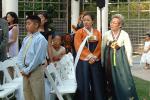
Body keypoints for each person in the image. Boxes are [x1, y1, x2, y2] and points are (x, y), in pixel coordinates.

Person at [102, 14, 139, 100]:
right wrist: (103, 61)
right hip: (109, 61)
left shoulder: (124, 34)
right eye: (111, 22)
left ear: (120, 25)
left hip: (121, 61)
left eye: (115, 23)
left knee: (123, 80)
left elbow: (128, 49)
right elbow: (103, 47)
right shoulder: (106, 34)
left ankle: (125, 96)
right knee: (110, 79)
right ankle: (112, 96)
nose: (112, 24)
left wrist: (129, 62)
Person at [74, 12, 105, 100]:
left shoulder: (97, 32)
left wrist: (94, 56)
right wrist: (89, 56)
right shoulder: (79, 32)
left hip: (95, 60)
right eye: (84, 20)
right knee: (84, 81)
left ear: (92, 21)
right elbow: (78, 45)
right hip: (83, 60)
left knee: (97, 81)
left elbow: (100, 45)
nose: (86, 22)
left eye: (88, 20)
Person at [17, 15, 48, 100]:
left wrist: (27, 70)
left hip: (35, 70)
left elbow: (37, 59)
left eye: (29, 23)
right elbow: (21, 54)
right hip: (26, 70)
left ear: (36, 25)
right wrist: (22, 68)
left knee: (37, 95)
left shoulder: (41, 39)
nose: (26, 26)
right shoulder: (26, 39)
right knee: (27, 93)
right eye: (26, 24)